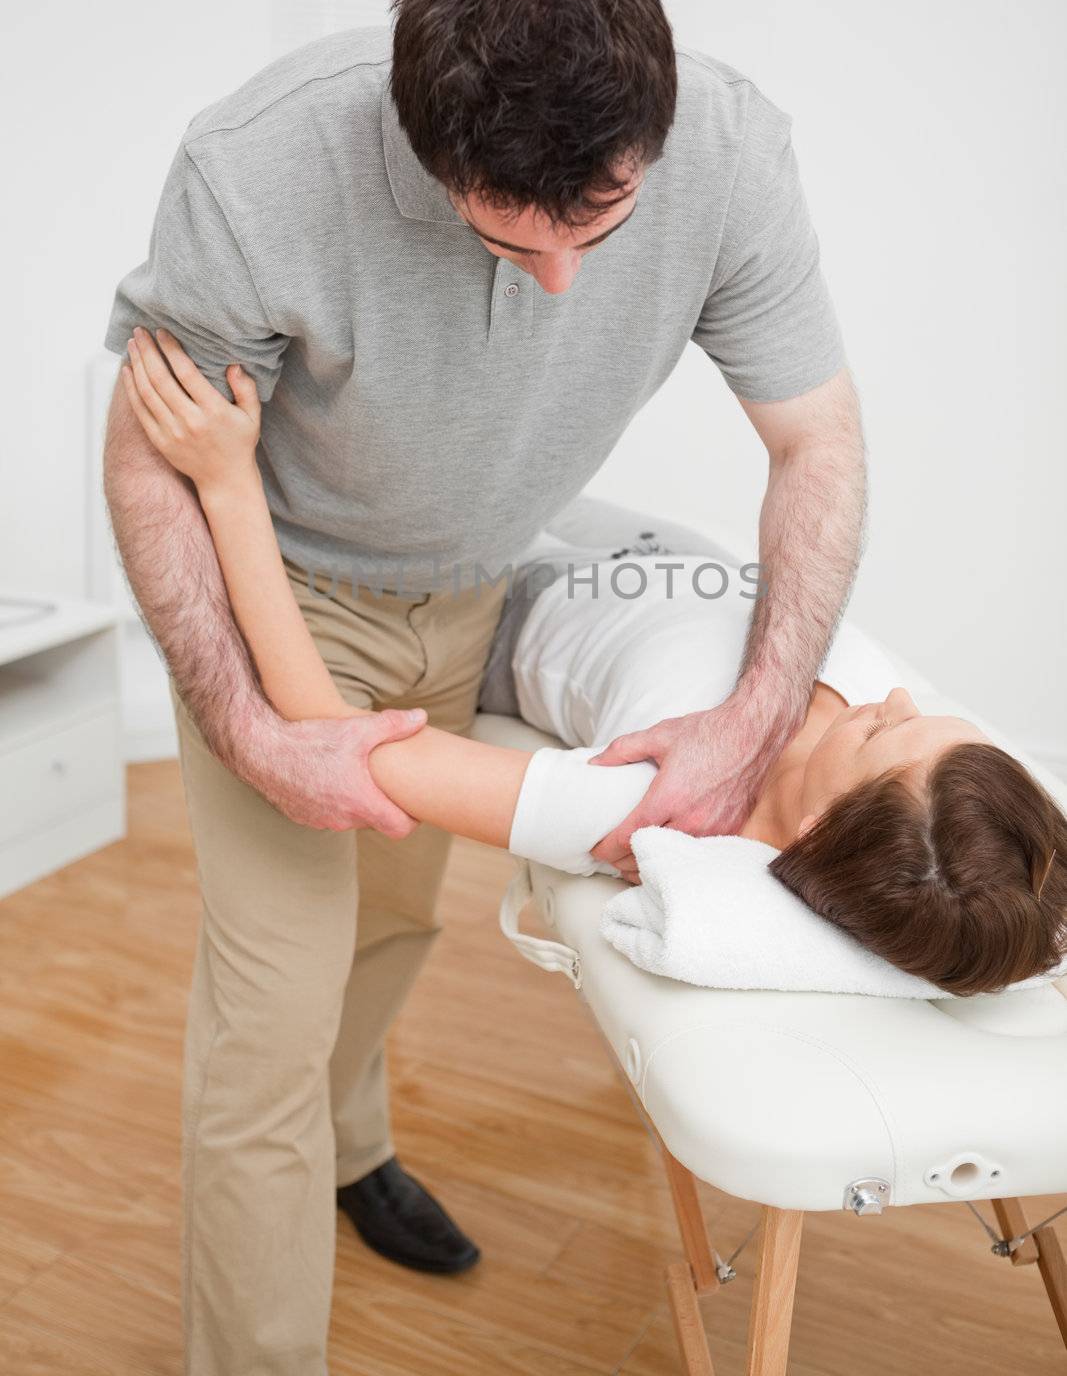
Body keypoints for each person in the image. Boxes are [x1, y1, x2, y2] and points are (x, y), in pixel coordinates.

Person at [102, 0, 866, 1375]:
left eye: (605, 225)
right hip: (284, 593)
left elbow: (815, 446)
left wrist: (755, 717)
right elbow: (155, 458)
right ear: (422, 150)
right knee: (267, 1014)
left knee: (393, 920)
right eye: (510, 238)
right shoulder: (255, 169)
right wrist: (249, 722)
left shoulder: (729, 150)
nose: (568, 285)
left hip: (473, 587)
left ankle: (349, 1144)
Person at [122, 325, 1067, 1003]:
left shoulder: (648, 813)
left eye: (878, 727)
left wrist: (227, 480)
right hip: (663, 551)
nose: (895, 695)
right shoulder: (950, 806)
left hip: (501, 596)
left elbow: (340, 742)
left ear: (820, 822)